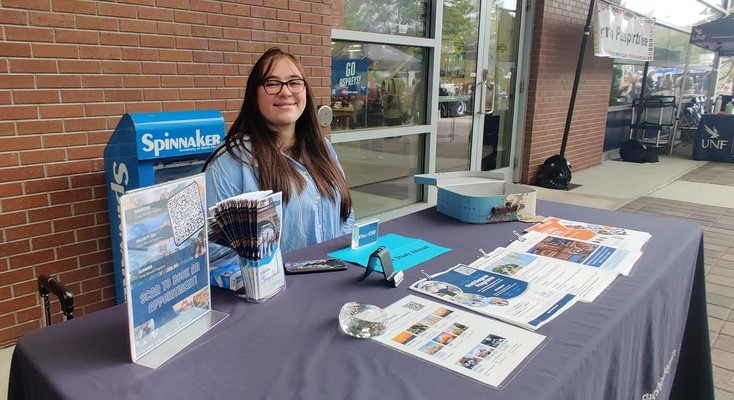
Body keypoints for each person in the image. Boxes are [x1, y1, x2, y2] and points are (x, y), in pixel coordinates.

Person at [204, 47, 354, 255]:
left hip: (336, 281)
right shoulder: (230, 162)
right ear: (253, 95)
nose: (285, 91)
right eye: (272, 83)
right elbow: (215, 251)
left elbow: (346, 217)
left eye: (294, 82)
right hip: (283, 288)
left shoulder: (323, 149)